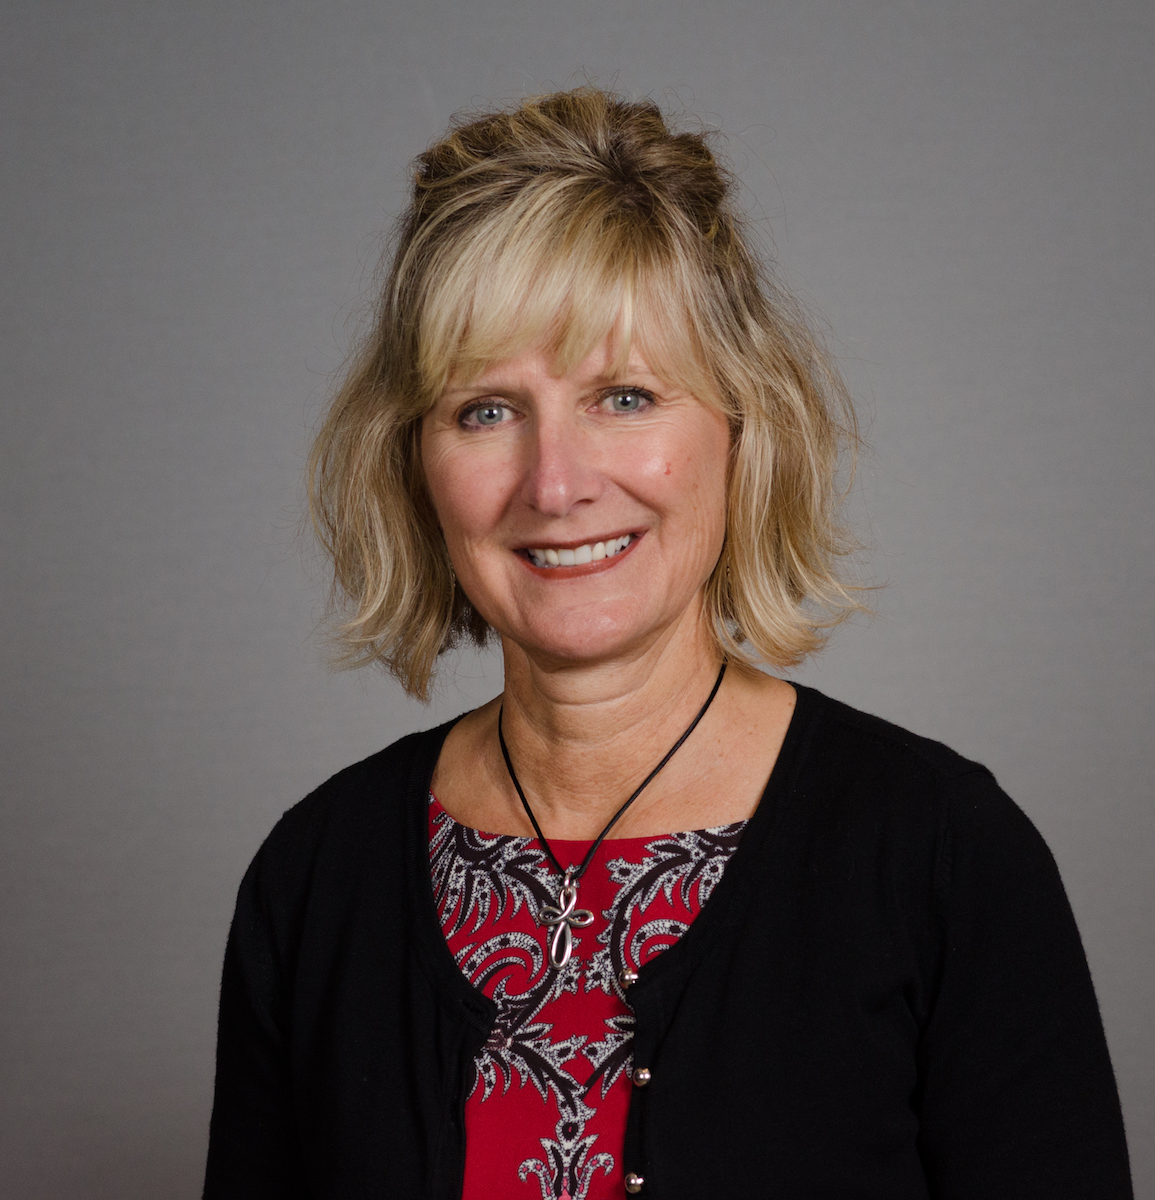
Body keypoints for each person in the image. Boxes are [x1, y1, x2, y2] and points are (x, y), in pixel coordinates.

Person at [202, 88, 1132, 1199]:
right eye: (485, 410)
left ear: (742, 428)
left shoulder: (944, 858)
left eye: (627, 395)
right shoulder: (315, 880)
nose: (556, 484)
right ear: (411, 462)